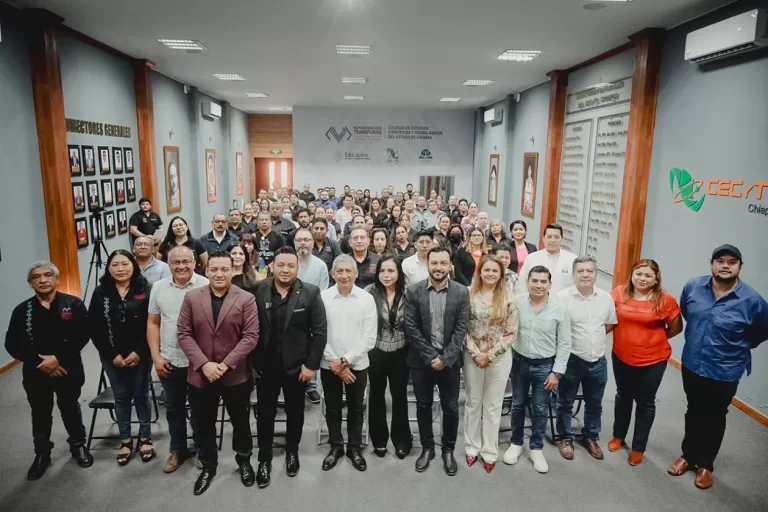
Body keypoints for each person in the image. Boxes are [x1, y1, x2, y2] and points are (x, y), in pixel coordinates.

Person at [668, 244, 768, 489]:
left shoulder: (753, 301)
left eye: (732, 262)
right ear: (711, 264)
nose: (725, 266)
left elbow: (761, 332)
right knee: (693, 410)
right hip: (693, 362)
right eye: (720, 261)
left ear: (740, 267)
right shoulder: (693, 287)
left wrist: (735, 347)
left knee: (715, 415)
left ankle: (705, 464)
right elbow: (688, 314)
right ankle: (688, 455)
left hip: (725, 369)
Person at [177, 251, 259, 495]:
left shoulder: (246, 298)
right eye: (214, 269)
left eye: (224, 269)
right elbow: (183, 334)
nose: (219, 274)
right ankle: (208, 466)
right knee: (204, 423)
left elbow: (250, 336)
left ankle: (244, 461)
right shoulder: (192, 298)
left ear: (232, 270)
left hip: (235, 374)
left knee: (240, 422)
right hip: (201, 375)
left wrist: (224, 365)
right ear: (206, 271)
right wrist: (204, 364)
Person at [4, 261, 93, 480]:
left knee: (70, 407)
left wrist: (58, 359)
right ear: (30, 283)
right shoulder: (22, 311)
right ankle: (42, 453)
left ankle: (78, 446)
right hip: (36, 371)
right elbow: (12, 344)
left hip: (68, 368)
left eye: (47, 275)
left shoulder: (73, 304)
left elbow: (83, 335)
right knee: (40, 412)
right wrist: (40, 362)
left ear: (57, 279)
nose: (43, 280)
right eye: (36, 277)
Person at [250, 247, 328, 486]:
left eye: (291, 266)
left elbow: (319, 332)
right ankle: (264, 458)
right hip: (265, 366)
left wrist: (311, 365)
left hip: (298, 367)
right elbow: (249, 328)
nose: (285, 270)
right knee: (265, 413)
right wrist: (251, 361)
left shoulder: (310, 293)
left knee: (296, 412)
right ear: (272, 266)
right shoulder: (257, 290)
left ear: (297, 268)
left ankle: (292, 451)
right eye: (281, 265)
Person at [608, 259, 682, 466]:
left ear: (656, 278)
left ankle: (638, 447)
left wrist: (652, 340)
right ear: (632, 275)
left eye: (648, 275)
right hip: (622, 355)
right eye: (638, 274)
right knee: (623, 396)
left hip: (654, 359)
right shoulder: (619, 293)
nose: (642, 278)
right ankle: (618, 436)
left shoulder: (665, 299)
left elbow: (676, 328)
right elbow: (609, 320)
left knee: (645, 401)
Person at [404, 247, 470, 476]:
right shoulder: (413, 291)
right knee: (423, 406)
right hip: (421, 361)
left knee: (450, 408)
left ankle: (448, 450)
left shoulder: (461, 292)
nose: (438, 267)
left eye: (443, 263)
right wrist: (431, 356)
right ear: (428, 264)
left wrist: (445, 358)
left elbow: (461, 328)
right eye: (434, 263)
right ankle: (428, 448)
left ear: (449, 264)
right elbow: (411, 328)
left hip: (449, 362)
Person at [88, 250, 154, 466]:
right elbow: (94, 327)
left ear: (133, 265)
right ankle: (125, 440)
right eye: (115, 265)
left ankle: (145, 437)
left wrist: (139, 352)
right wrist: (112, 355)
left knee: (141, 395)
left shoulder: (146, 289)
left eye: (125, 264)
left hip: (141, 355)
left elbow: (152, 324)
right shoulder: (101, 292)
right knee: (121, 397)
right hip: (112, 356)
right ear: (109, 268)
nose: (120, 269)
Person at [502, 266, 571, 474]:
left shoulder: (560, 308)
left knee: (540, 408)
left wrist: (556, 372)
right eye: (535, 281)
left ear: (550, 284)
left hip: (545, 366)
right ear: (527, 282)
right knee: (517, 404)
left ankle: (536, 448)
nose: (539, 285)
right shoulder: (516, 302)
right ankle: (516, 443)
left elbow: (565, 343)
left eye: (543, 282)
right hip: (520, 363)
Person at [147, 246, 210, 473]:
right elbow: (153, 323)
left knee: (201, 409)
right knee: (173, 408)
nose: (181, 266)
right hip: (170, 360)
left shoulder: (206, 285)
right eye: (176, 262)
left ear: (195, 262)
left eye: (186, 261)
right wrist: (156, 357)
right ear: (168, 264)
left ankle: (203, 449)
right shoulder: (158, 287)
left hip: (199, 362)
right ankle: (177, 449)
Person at [555, 256, 617, 461]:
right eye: (580, 271)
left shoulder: (605, 298)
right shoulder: (562, 298)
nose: (585, 275)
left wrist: (592, 341)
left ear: (596, 275)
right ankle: (565, 437)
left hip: (598, 361)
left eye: (589, 271)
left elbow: (609, 324)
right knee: (565, 402)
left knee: (595, 403)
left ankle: (591, 436)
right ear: (573, 275)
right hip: (572, 360)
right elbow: (556, 329)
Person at [320, 255, 377, 472]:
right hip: (329, 364)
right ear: (332, 274)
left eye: (348, 271)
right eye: (339, 271)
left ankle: (354, 448)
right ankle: (335, 446)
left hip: (357, 365)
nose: (344, 275)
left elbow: (369, 337)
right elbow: (317, 333)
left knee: (356, 408)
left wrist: (346, 361)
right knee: (332, 408)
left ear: (356, 273)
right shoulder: (323, 298)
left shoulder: (366, 299)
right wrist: (334, 361)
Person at [463, 255, 518, 473]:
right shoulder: (468, 294)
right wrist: (476, 353)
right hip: (473, 356)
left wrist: (491, 354)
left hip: (499, 358)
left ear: (501, 274)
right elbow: (462, 327)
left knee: (493, 405)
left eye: (495, 271)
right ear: (479, 272)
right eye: (486, 270)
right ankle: (471, 447)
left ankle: (489, 451)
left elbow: (511, 332)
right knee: (473, 402)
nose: (490, 274)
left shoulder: (509, 297)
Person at [363, 254, 412, 459]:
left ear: (398, 272)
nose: (386, 275)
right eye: (382, 270)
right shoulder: (369, 292)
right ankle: (379, 440)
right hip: (376, 350)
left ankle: (402, 440)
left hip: (402, 350)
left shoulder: (409, 292)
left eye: (391, 270)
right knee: (376, 395)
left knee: (399, 396)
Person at [520, 224, 576, 294]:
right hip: (537, 299)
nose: (553, 240)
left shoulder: (572, 260)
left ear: (561, 239)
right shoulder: (532, 258)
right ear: (543, 238)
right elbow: (522, 283)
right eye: (549, 237)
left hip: (563, 300)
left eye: (556, 237)